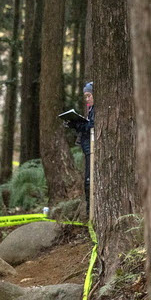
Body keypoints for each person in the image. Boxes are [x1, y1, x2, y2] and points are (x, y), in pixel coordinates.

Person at [65, 82, 95, 213]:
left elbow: (91, 126)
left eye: (89, 95)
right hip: (88, 149)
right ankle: (88, 212)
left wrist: (77, 125)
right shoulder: (91, 110)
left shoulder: (97, 110)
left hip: (92, 150)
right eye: (85, 96)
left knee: (89, 182)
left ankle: (90, 212)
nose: (87, 99)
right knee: (87, 182)